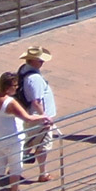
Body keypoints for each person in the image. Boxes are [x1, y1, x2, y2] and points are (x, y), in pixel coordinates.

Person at [17, 46, 57, 183]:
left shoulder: (23, 70)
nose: (42, 62)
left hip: (31, 116)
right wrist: (45, 116)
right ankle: (43, 173)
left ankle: (15, 169)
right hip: (38, 118)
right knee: (42, 145)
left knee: (27, 144)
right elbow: (36, 101)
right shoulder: (34, 78)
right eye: (39, 60)